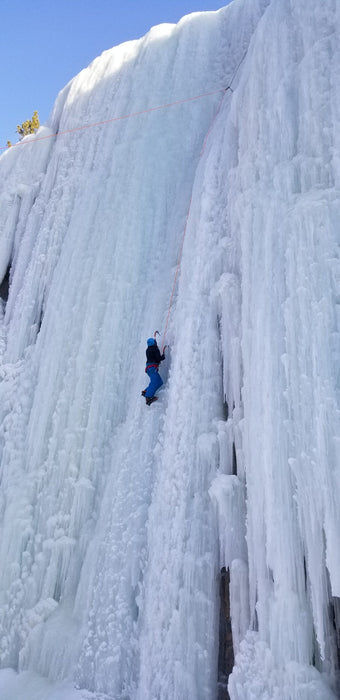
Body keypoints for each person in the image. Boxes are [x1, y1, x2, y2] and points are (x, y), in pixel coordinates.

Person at [142, 337, 166, 405]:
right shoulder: (155, 349)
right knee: (155, 382)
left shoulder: (148, 350)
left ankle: (146, 391)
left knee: (159, 382)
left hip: (149, 368)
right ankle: (148, 397)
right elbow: (158, 358)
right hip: (152, 368)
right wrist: (163, 357)